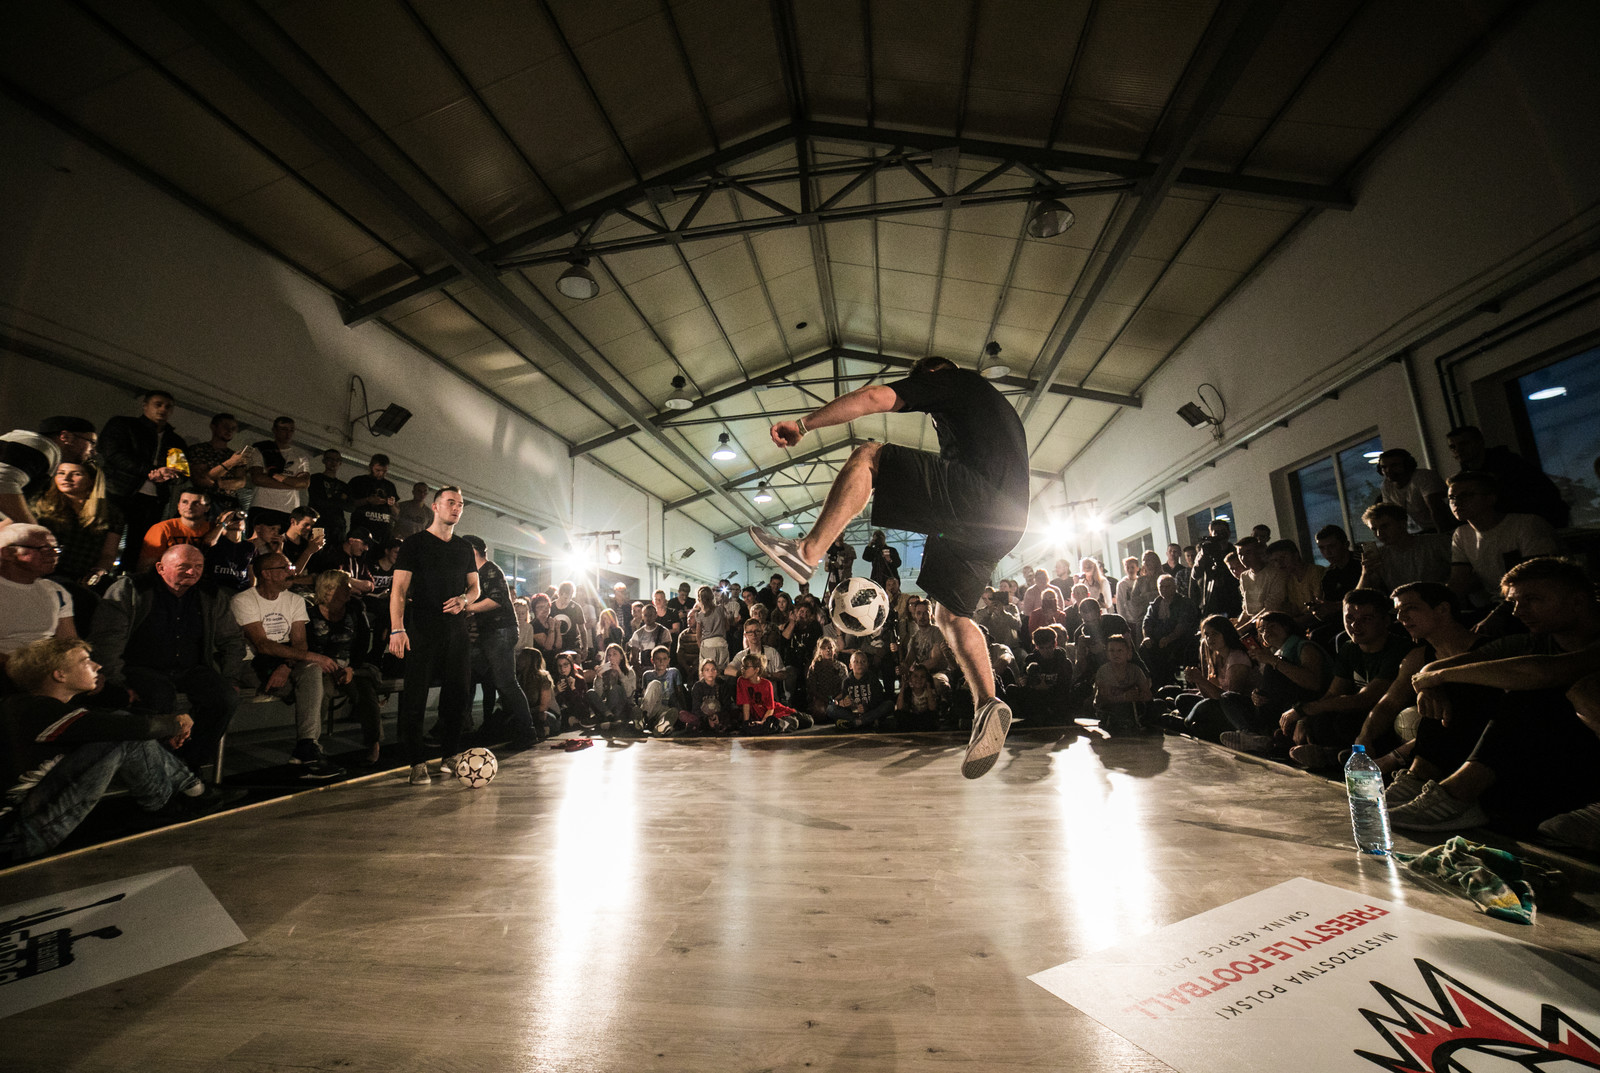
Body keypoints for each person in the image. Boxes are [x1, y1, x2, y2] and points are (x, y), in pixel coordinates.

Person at [746, 355, 1028, 777]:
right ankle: (987, 703)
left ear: (931, 374)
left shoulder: (951, 381)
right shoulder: (992, 408)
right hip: (1003, 524)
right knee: (949, 614)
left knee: (869, 455)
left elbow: (874, 398)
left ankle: (807, 552)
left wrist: (804, 425)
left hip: (978, 497)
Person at [1386, 557, 1599, 836]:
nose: (1518, 611)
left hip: (1585, 761)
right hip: (1553, 761)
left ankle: (1457, 796)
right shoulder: (1532, 640)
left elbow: (1547, 672)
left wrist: (1437, 677)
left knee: (1537, 692)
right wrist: (1432, 683)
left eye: (1532, 600)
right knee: (1464, 683)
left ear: (1578, 601)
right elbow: (1440, 668)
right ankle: (1422, 778)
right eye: (1514, 603)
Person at [0, 638, 243, 863]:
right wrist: (175, 724)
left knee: (123, 728)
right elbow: (125, 727)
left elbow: (117, 719)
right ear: (59, 674)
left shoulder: (35, 707)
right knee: (122, 736)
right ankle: (171, 803)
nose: (97, 666)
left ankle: (191, 793)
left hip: (27, 824)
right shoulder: (32, 711)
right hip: (17, 837)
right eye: (85, 661)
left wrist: (165, 728)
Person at [89, 545, 242, 774]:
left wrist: (231, 677)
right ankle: (159, 770)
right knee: (159, 696)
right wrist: (115, 682)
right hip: (140, 667)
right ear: (161, 568)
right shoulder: (132, 588)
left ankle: (190, 764)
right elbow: (107, 640)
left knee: (225, 697)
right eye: (184, 566)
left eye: (198, 566)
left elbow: (231, 639)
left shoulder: (210, 594)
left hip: (191, 668)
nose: (192, 572)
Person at [388, 487, 478, 785]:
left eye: (460, 504)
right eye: (451, 502)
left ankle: (450, 754)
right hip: (423, 628)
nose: (457, 508)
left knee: (458, 695)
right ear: (435, 507)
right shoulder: (414, 544)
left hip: (456, 631)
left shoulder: (464, 547)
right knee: (416, 696)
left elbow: (475, 588)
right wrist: (397, 628)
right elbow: (399, 590)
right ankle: (417, 761)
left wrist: (464, 600)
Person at [1270, 589, 1415, 767]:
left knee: (1345, 722)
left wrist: (1304, 709)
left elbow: (1366, 699)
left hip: (1385, 716)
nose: (1355, 625)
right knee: (1317, 719)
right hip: (1357, 711)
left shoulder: (1399, 649)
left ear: (1386, 620)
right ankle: (1333, 753)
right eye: (1350, 618)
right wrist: (1304, 717)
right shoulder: (1349, 647)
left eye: (1366, 619)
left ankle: (1335, 756)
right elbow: (1334, 692)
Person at [233, 552, 344, 779]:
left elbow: (300, 643)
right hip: (252, 663)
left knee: (313, 672)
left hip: (286, 661)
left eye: (289, 567)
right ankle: (308, 752)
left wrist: (286, 666)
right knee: (317, 687)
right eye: (284, 568)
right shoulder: (243, 600)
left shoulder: (294, 600)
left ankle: (306, 748)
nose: (290, 572)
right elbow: (262, 644)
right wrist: (312, 657)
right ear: (266, 574)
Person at [1445, 470, 1560, 618]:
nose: (1456, 502)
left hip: (1539, 604)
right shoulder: (1462, 534)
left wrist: (1497, 615)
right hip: (1499, 606)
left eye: (1466, 495)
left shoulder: (1527, 525)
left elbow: (1536, 580)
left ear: (1490, 498)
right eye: (1452, 497)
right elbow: (1459, 580)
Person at [462, 534, 535, 749]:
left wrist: (466, 607)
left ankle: (527, 731)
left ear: (473, 551)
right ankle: (502, 726)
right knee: (472, 673)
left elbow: (495, 600)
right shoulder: (475, 574)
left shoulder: (490, 570)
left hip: (500, 632)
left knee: (506, 683)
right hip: (491, 634)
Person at [307, 568, 384, 768]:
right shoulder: (310, 612)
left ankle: (373, 743)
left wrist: (352, 668)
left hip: (349, 664)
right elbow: (306, 645)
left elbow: (363, 643)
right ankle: (310, 743)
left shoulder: (355, 608)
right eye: (345, 587)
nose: (350, 590)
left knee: (365, 689)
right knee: (319, 690)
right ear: (329, 589)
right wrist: (322, 663)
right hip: (320, 665)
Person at [98, 390, 187, 555]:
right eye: (158, 404)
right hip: (117, 492)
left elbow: (181, 474)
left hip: (153, 500)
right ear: (145, 405)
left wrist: (169, 476)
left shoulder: (175, 440)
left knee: (139, 547)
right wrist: (151, 471)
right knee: (105, 539)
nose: (163, 409)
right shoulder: (123, 425)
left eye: (168, 407)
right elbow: (112, 454)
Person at [1445, 425, 1569, 529]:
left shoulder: (1512, 465)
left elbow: (1543, 494)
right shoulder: (1464, 479)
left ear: (1479, 442)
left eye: (1464, 443)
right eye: (1452, 447)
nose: (1458, 450)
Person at [0, 525, 78, 677]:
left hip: (46, 672)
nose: (53, 555)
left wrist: (83, 668)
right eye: (44, 549)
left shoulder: (56, 591)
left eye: (56, 549)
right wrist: (24, 669)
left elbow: (69, 643)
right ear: (8, 552)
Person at [30, 461, 122, 586]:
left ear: (91, 480)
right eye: (61, 473)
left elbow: (108, 555)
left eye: (76, 474)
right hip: (40, 572)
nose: (66, 478)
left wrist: (97, 574)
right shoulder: (39, 504)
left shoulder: (110, 513)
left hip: (80, 578)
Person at [1, 416, 97, 525]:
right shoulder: (42, 447)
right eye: (91, 442)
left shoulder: (27, 444)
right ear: (66, 437)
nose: (93, 451)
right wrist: (32, 527)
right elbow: (2, 485)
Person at [1356, 503, 1452, 593]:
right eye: (1374, 529)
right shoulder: (1380, 556)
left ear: (1402, 524)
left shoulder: (1436, 543)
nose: (1379, 534)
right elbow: (1359, 597)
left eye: (1385, 526)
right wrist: (1365, 574)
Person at [243, 416, 312, 533]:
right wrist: (292, 484)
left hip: (288, 510)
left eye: (291, 430)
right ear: (274, 430)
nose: (288, 433)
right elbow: (258, 478)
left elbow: (304, 483)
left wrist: (276, 477)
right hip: (262, 505)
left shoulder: (300, 457)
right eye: (284, 429)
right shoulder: (261, 450)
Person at [1139, 572, 1199, 688]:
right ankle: (1154, 684)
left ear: (1175, 587)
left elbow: (1183, 624)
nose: (1164, 589)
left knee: (1172, 651)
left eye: (1168, 586)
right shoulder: (1155, 604)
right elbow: (1147, 621)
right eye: (1161, 586)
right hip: (1158, 640)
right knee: (1144, 649)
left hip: (1179, 640)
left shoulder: (1184, 603)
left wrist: (1169, 638)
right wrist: (1147, 637)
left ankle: (1171, 683)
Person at [1376, 448, 1450, 533]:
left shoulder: (1424, 477)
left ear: (1408, 465)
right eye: (1384, 467)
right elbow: (1392, 514)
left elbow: (1437, 510)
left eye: (1394, 465)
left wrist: (1442, 536)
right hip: (1420, 531)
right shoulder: (1386, 485)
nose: (1388, 471)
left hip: (1442, 528)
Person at [1094, 635, 1153, 737]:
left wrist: (1137, 696)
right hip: (1109, 707)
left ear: (1128, 653)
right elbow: (1104, 698)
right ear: (1107, 654)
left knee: (1155, 706)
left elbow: (1148, 694)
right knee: (1117, 709)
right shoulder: (1103, 671)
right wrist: (1124, 697)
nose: (1115, 654)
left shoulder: (1135, 670)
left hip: (1132, 705)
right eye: (1112, 651)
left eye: (1120, 651)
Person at [138, 489, 214, 568]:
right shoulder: (162, 529)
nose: (189, 507)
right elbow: (146, 565)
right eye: (185, 502)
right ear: (178, 506)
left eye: (196, 503)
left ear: (207, 508)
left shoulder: (213, 530)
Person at [831, 650, 892, 730]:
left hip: (870, 711)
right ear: (850, 666)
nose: (860, 664)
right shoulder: (847, 681)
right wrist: (845, 703)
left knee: (889, 704)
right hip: (854, 713)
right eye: (856, 662)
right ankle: (866, 721)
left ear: (867, 665)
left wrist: (866, 707)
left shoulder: (872, 678)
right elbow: (845, 698)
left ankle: (858, 722)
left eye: (863, 661)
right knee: (831, 709)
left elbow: (879, 698)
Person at [346, 454, 399, 545]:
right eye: (377, 470)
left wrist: (391, 505)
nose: (381, 474)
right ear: (371, 467)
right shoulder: (358, 481)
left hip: (383, 535)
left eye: (384, 471)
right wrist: (367, 500)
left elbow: (396, 512)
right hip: (361, 532)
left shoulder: (389, 486)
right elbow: (348, 505)